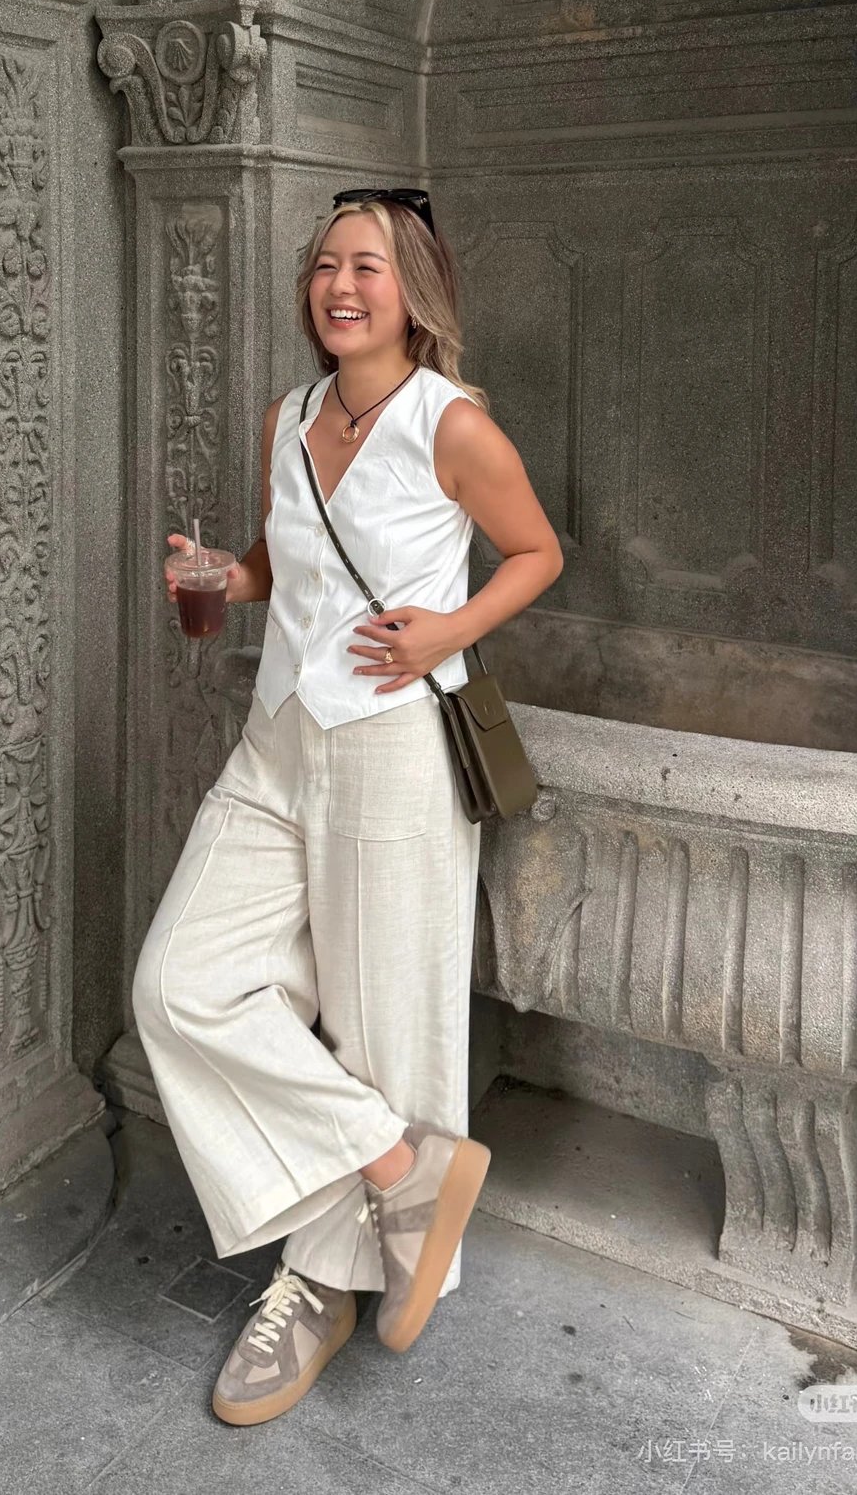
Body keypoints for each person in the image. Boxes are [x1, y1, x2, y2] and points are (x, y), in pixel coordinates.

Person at [133, 187, 564, 1427]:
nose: (340, 286)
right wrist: (221, 578)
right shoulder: (289, 416)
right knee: (179, 983)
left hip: (391, 746)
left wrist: (449, 629)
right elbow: (282, 567)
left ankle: (321, 1282)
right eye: (326, 265)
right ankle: (397, 1165)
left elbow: (537, 552)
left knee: (381, 1027)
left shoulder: (452, 424)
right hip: (277, 740)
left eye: (366, 266)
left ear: (412, 289)